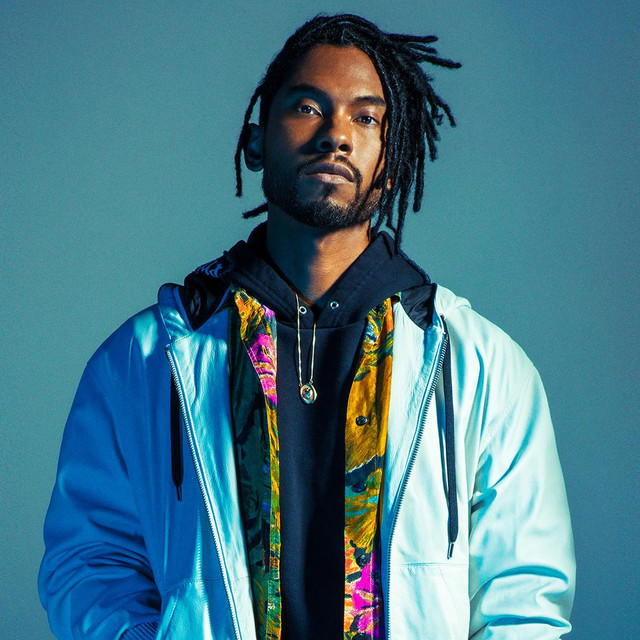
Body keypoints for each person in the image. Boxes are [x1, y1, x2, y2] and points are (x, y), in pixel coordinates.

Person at [39, 13, 575, 640]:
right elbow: (89, 564)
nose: (336, 136)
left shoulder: (481, 364)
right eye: (307, 108)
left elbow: (523, 595)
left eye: (366, 118)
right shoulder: (147, 358)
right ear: (256, 142)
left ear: (392, 160)